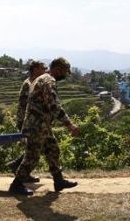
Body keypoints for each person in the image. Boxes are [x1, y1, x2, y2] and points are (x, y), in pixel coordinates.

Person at [9, 57, 80, 196]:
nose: (65, 75)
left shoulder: (43, 78)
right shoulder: (48, 80)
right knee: (32, 156)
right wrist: (70, 125)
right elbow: (53, 105)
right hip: (36, 126)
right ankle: (16, 185)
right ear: (58, 69)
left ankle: (58, 181)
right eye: (65, 72)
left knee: (53, 149)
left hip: (42, 126)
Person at [6, 60, 47, 182]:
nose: (44, 70)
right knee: (34, 148)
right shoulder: (29, 84)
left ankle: (18, 168)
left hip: (31, 121)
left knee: (33, 148)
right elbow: (27, 106)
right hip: (28, 121)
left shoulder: (34, 82)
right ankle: (20, 174)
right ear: (35, 69)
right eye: (42, 68)